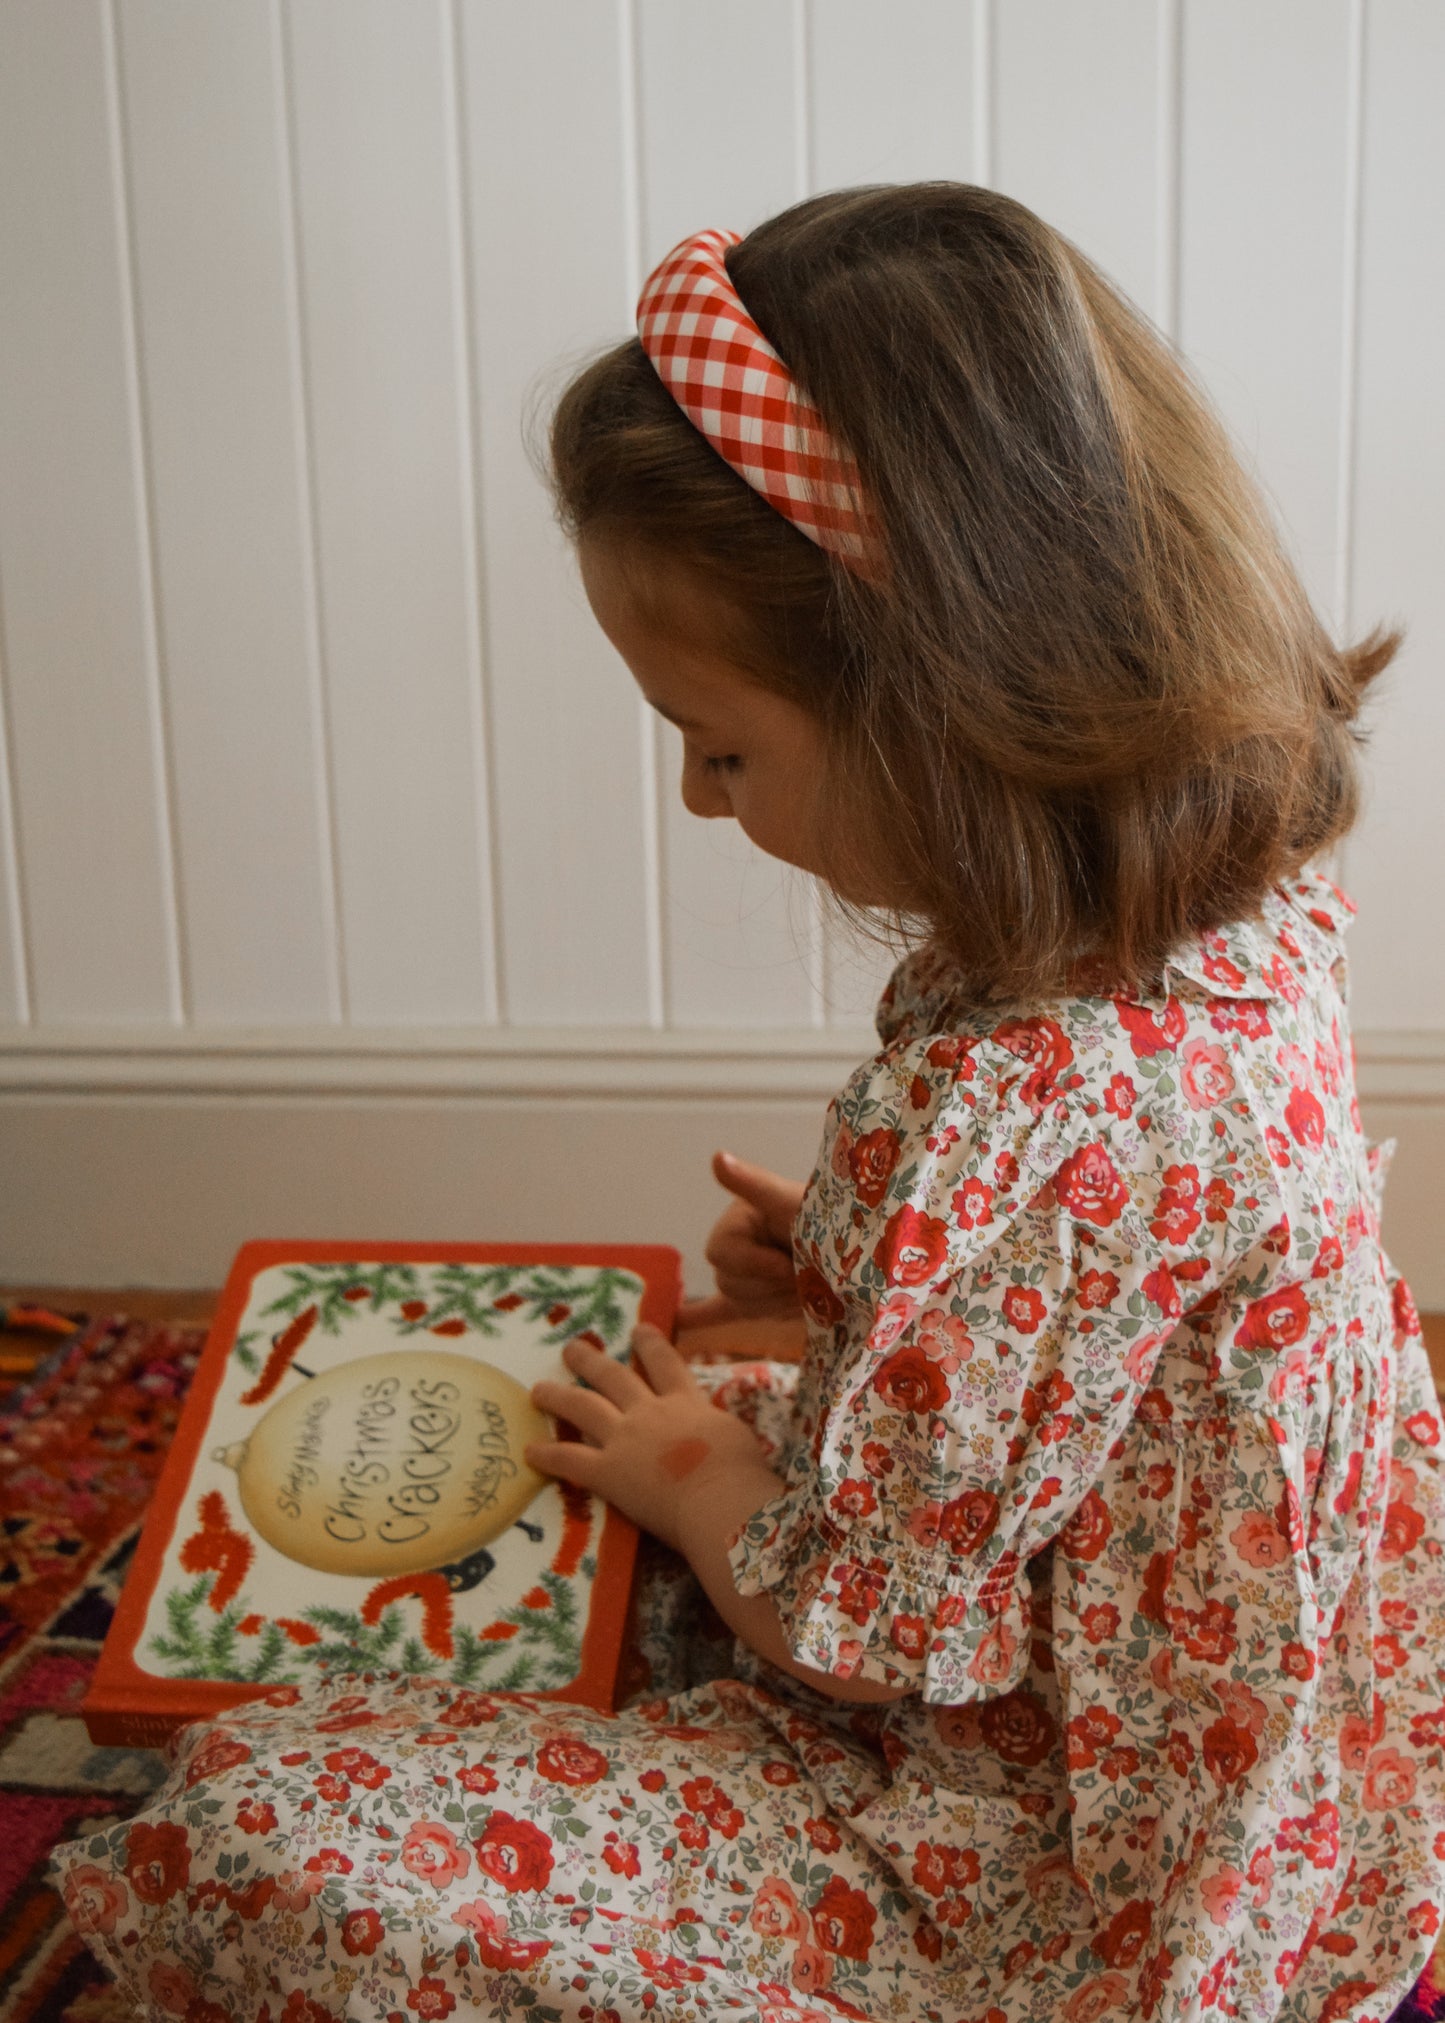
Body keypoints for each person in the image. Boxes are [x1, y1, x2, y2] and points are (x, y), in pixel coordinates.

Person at [53, 183, 1445, 2023]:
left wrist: (719, 1487)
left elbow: (871, 1641)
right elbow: (1138, 1300)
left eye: (720, 746)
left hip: (1073, 1862)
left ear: (950, 701)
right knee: (629, 1429)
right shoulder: (1234, 911)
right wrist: (866, 1275)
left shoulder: (1026, 1111)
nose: (703, 806)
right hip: (1239, 1723)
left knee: (259, 1817)